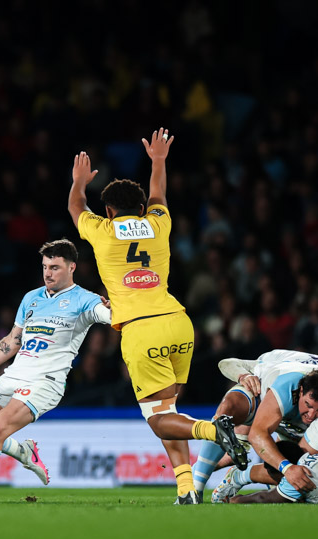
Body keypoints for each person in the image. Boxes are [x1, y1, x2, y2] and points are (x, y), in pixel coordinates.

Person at [69, 128, 238, 504]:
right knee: (168, 410)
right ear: (142, 208)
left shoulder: (103, 231)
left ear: (109, 211)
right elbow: (159, 194)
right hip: (178, 323)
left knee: (158, 418)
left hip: (142, 331)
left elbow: (76, 208)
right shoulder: (159, 223)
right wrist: (158, 161)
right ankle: (186, 489)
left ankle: (214, 431)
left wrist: (79, 181)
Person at [0, 240, 110, 503]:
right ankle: (23, 451)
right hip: (14, 375)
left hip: (45, 382)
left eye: (54, 267)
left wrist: (113, 310)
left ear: (72, 267)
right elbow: (12, 341)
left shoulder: (85, 299)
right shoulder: (31, 298)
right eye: (45, 267)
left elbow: (110, 316)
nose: (48, 273)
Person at [195, 350, 318, 502]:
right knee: (229, 408)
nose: (311, 415)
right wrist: (244, 376)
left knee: (307, 471)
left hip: (315, 419)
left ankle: (238, 475)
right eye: (308, 405)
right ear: (300, 391)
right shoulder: (280, 371)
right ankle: (195, 487)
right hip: (274, 406)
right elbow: (226, 363)